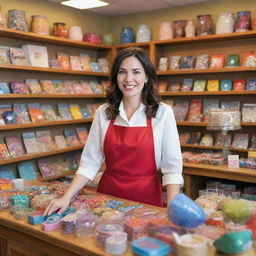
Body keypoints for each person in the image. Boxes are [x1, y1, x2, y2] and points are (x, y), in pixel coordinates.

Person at [44, 47, 183, 216]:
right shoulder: (104, 112)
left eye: (136, 72)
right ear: (115, 76)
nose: (128, 79)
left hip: (146, 199)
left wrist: (172, 210)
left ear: (147, 77)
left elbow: (172, 170)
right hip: (107, 199)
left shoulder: (163, 113)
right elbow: (89, 164)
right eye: (122, 72)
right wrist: (66, 197)